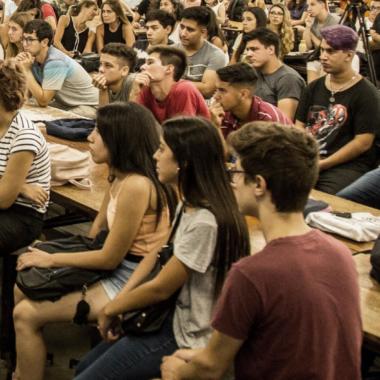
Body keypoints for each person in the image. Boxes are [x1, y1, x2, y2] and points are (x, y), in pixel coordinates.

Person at [160, 121, 362, 380]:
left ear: (258, 184)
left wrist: (177, 372)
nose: (231, 182)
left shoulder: (251, 273)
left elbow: (211, 367)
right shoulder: (340, 253)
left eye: (236, 172)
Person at [73, 116, 250, 380]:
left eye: (162, 149)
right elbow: (158, 253)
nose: (155, 156)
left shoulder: (206, 220)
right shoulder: (189, 202)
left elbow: (162, 287)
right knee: (84, 368)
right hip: (166, 314)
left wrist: (111, 308)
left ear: (184, 163)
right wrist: (123, 303)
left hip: (183, 332)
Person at [13, 102, 174, 380]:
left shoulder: (137, 185)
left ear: (118, 140)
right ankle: (23, 366)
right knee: (24, 279)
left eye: (98, 132)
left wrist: (51, 259)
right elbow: (97, 228)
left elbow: (110, 257)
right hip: (114, 263)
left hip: (130, 277)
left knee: (25, 314)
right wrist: (67, 265)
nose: (90, 137)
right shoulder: (119, 173)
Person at [295, 25, 380, 194]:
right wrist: (306, 157)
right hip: (311, 158)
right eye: (322, 51)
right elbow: (299, 127)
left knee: (325, 199)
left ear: (349, 55)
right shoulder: (313, 88)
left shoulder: (366, 93)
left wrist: (324, 163)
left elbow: (362, 143)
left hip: (347, 165)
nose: (323, 57)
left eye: (331, 51)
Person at [0, 59, 50, 256]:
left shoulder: (24, 135)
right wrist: (18, 187)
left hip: (22, 215)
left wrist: (10, 188)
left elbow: (4, 199)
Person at [16, 19, 99, 118]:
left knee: (48, 121)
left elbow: (43, 100)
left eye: (30, 40)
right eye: (23, 39)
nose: (24, 44)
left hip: (89, 106)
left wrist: (26, 70)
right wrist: (18, 68)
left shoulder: (55, 62)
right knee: (26, 110)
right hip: (68, 104)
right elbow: (27, 95)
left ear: (44, 42)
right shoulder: (33, 58)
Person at [210, 62, 292, 138]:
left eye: (222, 90)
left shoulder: (268, 120)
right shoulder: (220, 115)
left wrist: (215, 127)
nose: (215, 96)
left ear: (243, 94)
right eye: (216, 90)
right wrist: (213, 124)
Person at [131, 45, 210, 123]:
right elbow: (133, 124)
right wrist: (134, 92)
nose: (142, 67)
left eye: (150, 62)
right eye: (145, 63)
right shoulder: (145, 89)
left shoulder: (184, 89)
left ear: (169, 69)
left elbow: (183, 132)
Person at [242, 28, 305, 120]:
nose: (249, 54)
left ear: (271, 50)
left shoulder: (288, 79)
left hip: (272, 132)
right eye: (247, 49)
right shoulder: (254, 72)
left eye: (254, 49)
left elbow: (283, 124)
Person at [175, 6, 226, 98]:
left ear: (203, 32)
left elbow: (207, 90)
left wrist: (171, 82)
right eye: (182, 27)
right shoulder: (171, 51)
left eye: (190, 29)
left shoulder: (216, 55)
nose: (183, 33)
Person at [303, 0, 339, 82]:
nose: (309, 8)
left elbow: (325, 47)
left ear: (322, 5)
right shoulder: (314, 20)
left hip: (330, 58)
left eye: (312, 5)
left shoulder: (333, 22)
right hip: (317, 57)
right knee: (311, 64)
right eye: (308, 5)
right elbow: (307, 46)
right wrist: (308, 27)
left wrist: (311, 34)